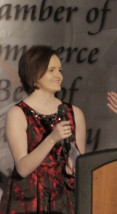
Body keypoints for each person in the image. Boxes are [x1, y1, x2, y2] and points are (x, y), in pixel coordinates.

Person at [0, 45, 86, 213]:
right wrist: (52, 139)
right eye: (51, 70)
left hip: (63, 197)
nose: (58, 76)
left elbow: (81, 165)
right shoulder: (18, 113)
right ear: (34, 75)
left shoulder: (74, 113)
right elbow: (23, 167)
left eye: (59, 70)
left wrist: (73, 165)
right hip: (28, 198)